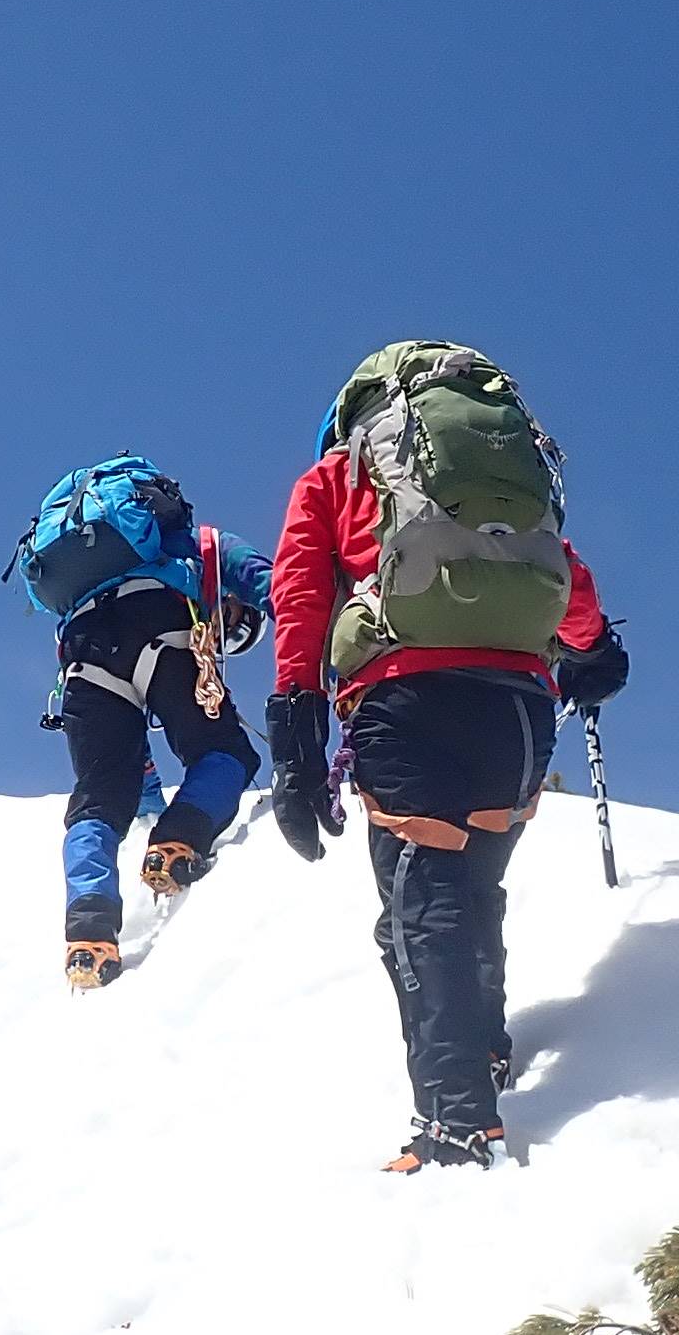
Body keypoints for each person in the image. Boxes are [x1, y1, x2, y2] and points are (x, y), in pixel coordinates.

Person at [265, 341, 627, 1173]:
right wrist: (595, 651)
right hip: (519, 710)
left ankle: (456, 1124)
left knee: (420, 907)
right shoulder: (507, 483)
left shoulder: (336, 477)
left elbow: (300, 594)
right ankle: (484, 1054)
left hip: (407, 702)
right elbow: (563, 573)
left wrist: (295, 733)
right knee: (471, 888)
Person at [12, 455, 272, 990]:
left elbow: (133, 765)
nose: (223, 638)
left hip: (83, 655)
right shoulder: (201, 544)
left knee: (100, 797)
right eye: (234, 628)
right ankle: (180, 842)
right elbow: (270, 581)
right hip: (160, 630)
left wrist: (149, 800)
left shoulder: (107, 559)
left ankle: (89, 930)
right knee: (226, 752)